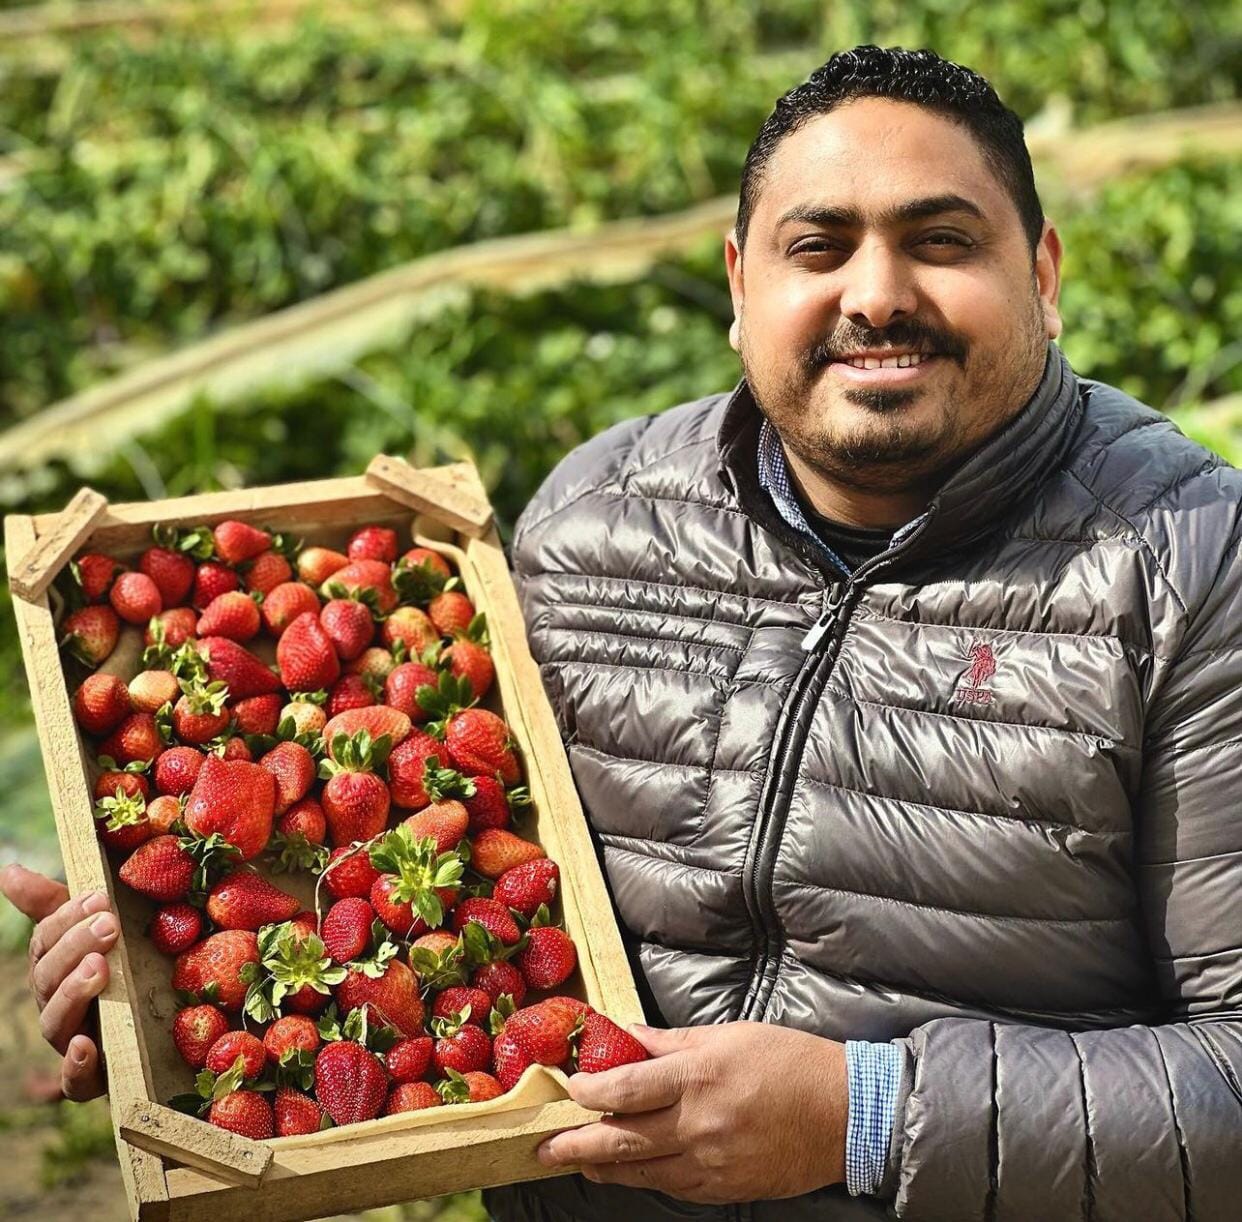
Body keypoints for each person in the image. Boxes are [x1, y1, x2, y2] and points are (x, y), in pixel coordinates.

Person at [4, 44, 1240, 1222]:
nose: (876, 293)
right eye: (818, 246)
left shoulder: (1193, 563)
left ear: (1047, 273)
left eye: (942, 240)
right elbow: (412, 898)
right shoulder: (598, 519)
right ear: (738, 285)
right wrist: (159, 1001)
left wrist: (862, 1114)